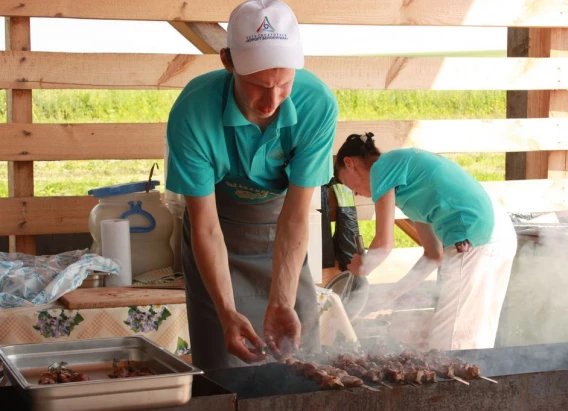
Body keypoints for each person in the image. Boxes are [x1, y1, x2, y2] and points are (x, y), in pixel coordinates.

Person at [165, 0, 338, 370]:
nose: (272, 101)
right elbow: (206, 227)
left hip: (281, 227)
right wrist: (227, 312)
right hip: (218, 232)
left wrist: (282, 301)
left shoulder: (317, 104)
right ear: (228, 62)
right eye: (258, 85)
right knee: (223, 366)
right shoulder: (193, 111)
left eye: (284, 84)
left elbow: (295, 218)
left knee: (303, 365)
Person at [335, 132, 517, 350]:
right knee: (476, 336)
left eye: (348, 184)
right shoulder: (410, 184)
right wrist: (390, 294)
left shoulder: (382, 167)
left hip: (473, 236)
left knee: (449, 345)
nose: (355, 193)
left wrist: (359, 268)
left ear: (350, 163)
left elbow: (383, 245)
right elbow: (433, 256)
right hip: (498, 233)